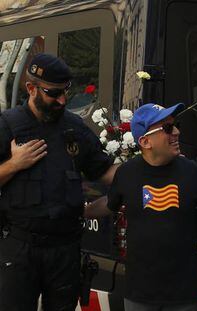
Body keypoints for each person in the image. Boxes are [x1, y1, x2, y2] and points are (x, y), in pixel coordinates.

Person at [0, 53, 118, 311]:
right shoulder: (8, 125)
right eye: (54, 93)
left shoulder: (74, 127)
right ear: (31, 88)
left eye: (66, 91)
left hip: (65, 248)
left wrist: (146, 170)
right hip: (20, 248)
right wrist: (13, 165)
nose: (63, 100)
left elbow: (104, 170)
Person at [84, 103, 197, 311]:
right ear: (145, 141)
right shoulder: (127, 173)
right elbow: (111, 203)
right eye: (167, 128)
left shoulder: (192, 172)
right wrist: (81, 211)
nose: (177, 132)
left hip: (182, 294)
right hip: (140, 292)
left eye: (175, 125)